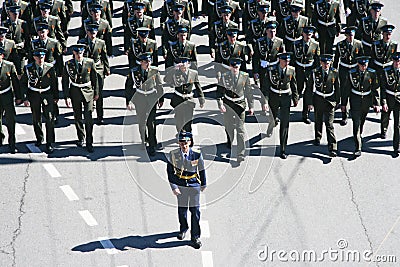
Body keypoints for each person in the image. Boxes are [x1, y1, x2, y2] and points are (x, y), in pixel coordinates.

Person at [167, 131, 206, 249]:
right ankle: (183, 228)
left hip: (194, 185)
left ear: (190, 142)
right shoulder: (173, 155)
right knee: (182, 210)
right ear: (178, 143)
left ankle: (195, 236)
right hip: (181, 185)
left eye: (186, 142)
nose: (184, 145)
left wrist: (203, 183)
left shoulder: (196, 154)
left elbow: (201, 169)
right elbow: (170, 172)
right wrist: (174, 187)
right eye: (182, 143)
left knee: (195, 211)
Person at [125, 52, 164, 156]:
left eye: (149, 61)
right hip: (140, 98)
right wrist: (129, 101)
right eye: (146, 62)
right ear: (141, 62)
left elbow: (159, 85)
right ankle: (144, 140)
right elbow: (128, 87)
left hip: (151, 98)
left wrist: (161, 99)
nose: (148, 63)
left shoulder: (154, 71)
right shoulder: (134, 71)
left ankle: (152, 145)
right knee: (142, 121)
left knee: (151, 122)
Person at [62, 44, 98, 153]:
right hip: (75, 92)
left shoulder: (90, 62)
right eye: (77, 54)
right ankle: (81, 137)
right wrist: (66, 96)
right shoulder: (68, 64)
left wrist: (96, 93)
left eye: (81, 53)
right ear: (74, 53)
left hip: (87, 91)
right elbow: (65, 81)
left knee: (88, 116)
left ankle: (89, 141)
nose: (79, 55)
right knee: (77, 116)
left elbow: (95, 78)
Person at [341, 56, 380, 157]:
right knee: (356, 123)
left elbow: (375, 89)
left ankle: (358, 133)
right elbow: (346, 90)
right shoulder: (351, 73)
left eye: (365, 65)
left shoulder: (372, 73)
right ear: (358, 64)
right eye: (362, 65)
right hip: (355, 100)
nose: (364, 67)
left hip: (366, 101)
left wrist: (377, 104)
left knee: (362, 120)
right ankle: (358, 147)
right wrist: (344, 104)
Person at [21, 48, 58, 153]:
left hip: (47, 94)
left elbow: (54, 83)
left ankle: (50, 142)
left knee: (49, 118)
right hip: (34, 94)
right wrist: (25, 98)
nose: (40, 59)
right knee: (36, 118)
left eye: (42, 57)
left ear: (44, 57)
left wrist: (56, 96)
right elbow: (23, 83)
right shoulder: (29, 68)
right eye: (38, 57)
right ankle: (39, 138)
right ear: (34, 58)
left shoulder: (50, 68)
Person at [262, 52, 298, 159]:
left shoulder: (291, 70)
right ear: (279, 60)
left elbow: (294, 85)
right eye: (284, 61)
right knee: (272, 117)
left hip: (286, 98)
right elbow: (266, 87)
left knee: (285, 123)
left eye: (288, 61)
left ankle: (282, 149)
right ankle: (271, 126)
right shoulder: (271, 70)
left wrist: (295, 98)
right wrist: (265, 102)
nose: (286, 63)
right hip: (274, 96)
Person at [217, 57, 254, 163]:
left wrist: (251, 106)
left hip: (240, 105)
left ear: (239, 67)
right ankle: (229, 140)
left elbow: (249, 92)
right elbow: (219, 92)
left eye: (237, 67)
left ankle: (240, 153)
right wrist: (220, 104)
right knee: (229, 127)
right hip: (228, 104)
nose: (235, 69)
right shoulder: (224, 77)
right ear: (230, 67)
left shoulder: (245, 77)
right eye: (233, 67)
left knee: (240, 129)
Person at [305, 54, 340, 157]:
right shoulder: (315, 72)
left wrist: (338, 101)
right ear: (321, 63)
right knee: (318, 119)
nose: (326, 65)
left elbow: (338, 87)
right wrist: (309, 102)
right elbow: (309, 88)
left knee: (329, 125)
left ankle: (332, 147)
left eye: (328, 64)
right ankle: (318, 137)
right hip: (318, 99)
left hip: (330, 100)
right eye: (324, 63)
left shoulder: (334, 73)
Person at [78, 23, 109, 125]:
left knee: (99, 93)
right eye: (91, 33)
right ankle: (88, 112)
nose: (92, 35)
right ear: (87, 32)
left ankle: (100, 116)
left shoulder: (101, 43)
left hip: (98, 69)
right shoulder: (82, 43)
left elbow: (104, 57)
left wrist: (107, 69)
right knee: (88, 91)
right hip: (86, 70)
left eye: (94, 33)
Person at [333, 26, 364, 126]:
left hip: (355, 69)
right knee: (344, 92)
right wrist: (334, 71)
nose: (351, 37)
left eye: (352, 35)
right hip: (344, 69)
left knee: (355, 91)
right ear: (345, 36)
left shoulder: (358, 44)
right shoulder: (340, 45)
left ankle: (355, 112)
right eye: (349, 35)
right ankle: (344, 115)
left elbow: (361, 58)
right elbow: (336, 60)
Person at [164, 56, 205, 135]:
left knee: (188, 120)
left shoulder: (193, 73)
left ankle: (189, 136)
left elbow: (198, 86)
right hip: (178, 99)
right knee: (179, 120)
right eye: (181, 64)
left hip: (189, 99)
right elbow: (166, 79)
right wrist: (173, 69)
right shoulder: (175, 73)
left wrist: (201, 99)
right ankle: (181, 135)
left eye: (184, 63)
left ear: (188, 64)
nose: (183, 66)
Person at [293, 25, 320, 124]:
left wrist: (317, 72)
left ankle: (306, 114)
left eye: (310, 34)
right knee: (298, 89)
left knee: (308, 92)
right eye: (306, 34)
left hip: (309, 69)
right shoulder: (296, 44)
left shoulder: (315, 44)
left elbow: (317, 59)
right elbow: (292, 59)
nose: (308, 36)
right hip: (299, 69)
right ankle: (294, 101)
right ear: (302, 34)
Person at [0, 47, 22, 153]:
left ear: (2, 56)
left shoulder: (9, 66)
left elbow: (15, 83)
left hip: (7, 95)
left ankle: (12, 142)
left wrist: (19, 97)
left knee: (11, 120)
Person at [380, 52, 400, 156]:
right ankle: (383, 129)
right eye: (396, 61)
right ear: (393, 61)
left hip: (399, 100)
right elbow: (383, 88)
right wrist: (383, 102)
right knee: (385, 117)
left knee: (398, 125)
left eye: (399, 61)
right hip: (389, 98)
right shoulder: (386, 71)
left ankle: (396, 147)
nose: (397, 63)